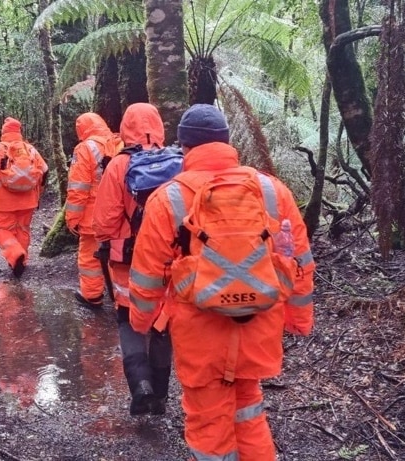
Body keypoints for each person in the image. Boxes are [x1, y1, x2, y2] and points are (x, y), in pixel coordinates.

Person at [128, 104, 315, 460]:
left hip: (200, 332)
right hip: (259, 324)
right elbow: (300, 261)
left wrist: (141, 322)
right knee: (248, 408)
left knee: (207, 421)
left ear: (184, 147)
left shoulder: (168, 197)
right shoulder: (273, 191)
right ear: (228, 142)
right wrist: (299, 319)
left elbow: (147, 273)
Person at [93, 103, 173, 416]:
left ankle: (141, 386)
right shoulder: (178, 160)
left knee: (129, 321)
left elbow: (103, 223)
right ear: (159, 125)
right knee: (162, 323)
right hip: (167, 260)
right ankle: (162, 396)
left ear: (125, 127)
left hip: (127, 260)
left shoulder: (119, 165)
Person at [0, 117, 48, 278]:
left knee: (1, 230)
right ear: (19, 132)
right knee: (23, 229)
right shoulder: (30, 150)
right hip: (28, 201)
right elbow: (45, 170)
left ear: (3, 132)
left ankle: (15, 254)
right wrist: (38, 192)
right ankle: (22, 260)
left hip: (3, 203)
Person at [65, 112, 122, 309]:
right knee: (118, 257)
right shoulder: (120, 143)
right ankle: (122, 301)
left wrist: (72, 217)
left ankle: (92, 295)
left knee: (90, 257)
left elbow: (78, 187)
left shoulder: (85, 149)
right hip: (119, 215)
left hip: (93, 216)